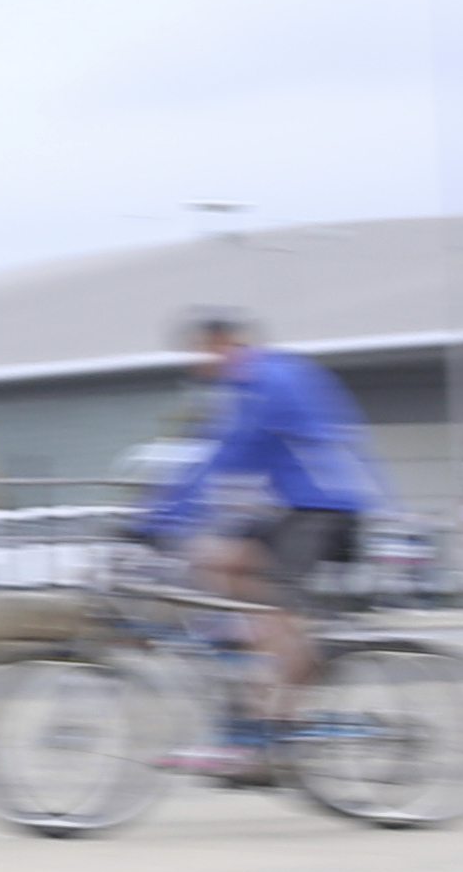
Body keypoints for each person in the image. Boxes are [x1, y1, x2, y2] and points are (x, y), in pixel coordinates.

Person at [131, 308, 391, 778]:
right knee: (215, 560)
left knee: (274, 613)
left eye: (199, 352)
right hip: (294, 508)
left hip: (326, 509)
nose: (195, 364)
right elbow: (216, 456)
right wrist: (161, 514)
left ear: (225, 344)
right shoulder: (246, 386)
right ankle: (255, 687)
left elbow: (226, 454)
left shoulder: (268, 379)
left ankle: (276, 723)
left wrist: (158, 519)